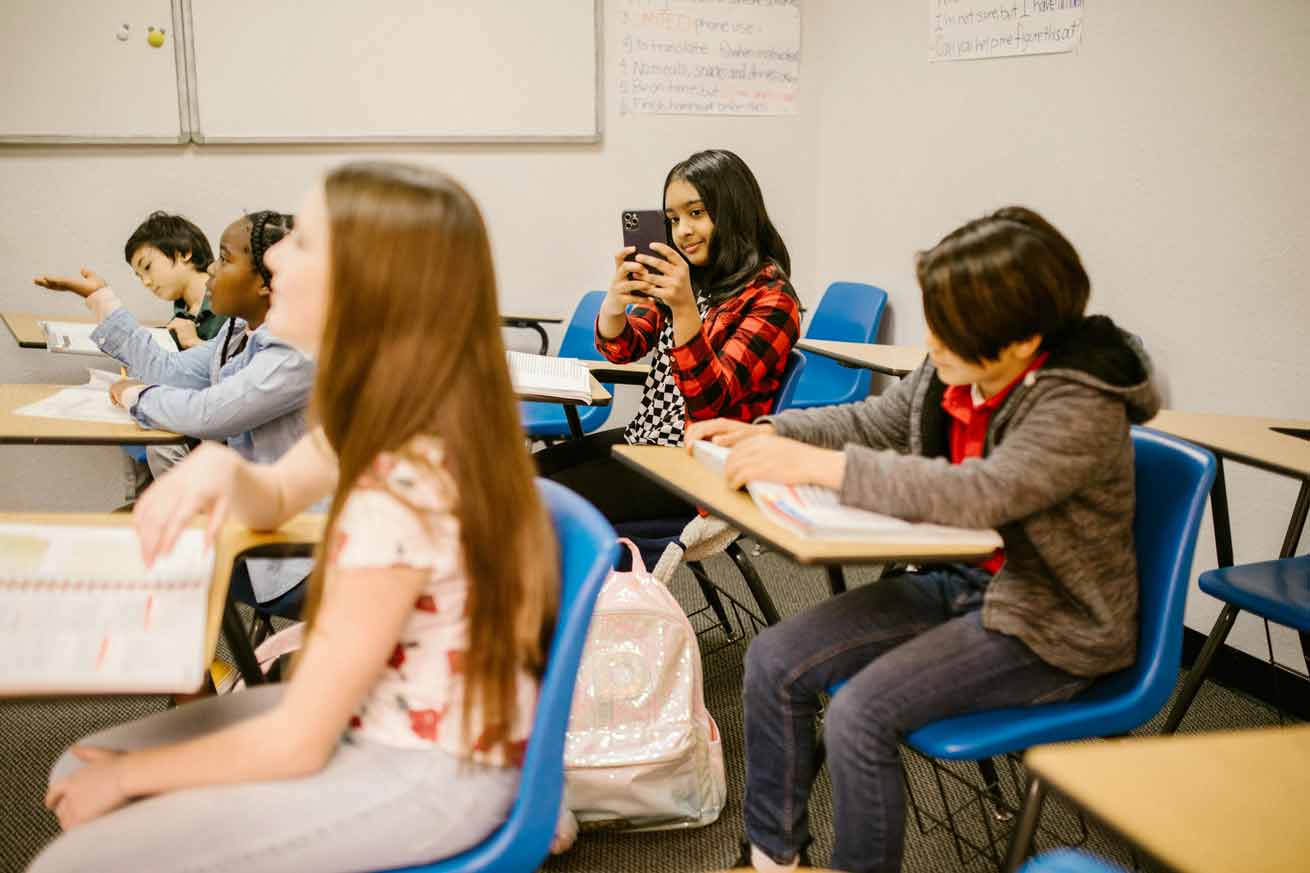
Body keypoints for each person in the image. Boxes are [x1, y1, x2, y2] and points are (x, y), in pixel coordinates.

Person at [28, 162, 558, 873]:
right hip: (373, 719)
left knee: (77, 853)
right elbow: (277, 493)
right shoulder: (376, 411)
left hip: (426, 772)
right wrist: (226, 469)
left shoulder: (403, 480)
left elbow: (297, 741)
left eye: (302, 243)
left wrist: (127, 781)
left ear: (366, 284)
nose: (274, 256)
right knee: (77, 764)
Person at [688, 206, 1161, 873]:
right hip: (969, 583)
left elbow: (981, 494)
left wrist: (824, 468)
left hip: (1052, 625)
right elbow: (875, 418)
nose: (932, 339)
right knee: (774, 658)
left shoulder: (1079, 404)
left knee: (858, 716)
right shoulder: (955, 370)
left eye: (949, 326)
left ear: (1022, 340)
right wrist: (773, 432)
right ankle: (774, 859)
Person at [33, 211, 313, 604]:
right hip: (253, 522)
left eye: (226, 258)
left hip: (295, 551)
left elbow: (209, 414)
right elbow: (171, 371)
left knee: (130, 545)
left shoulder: (296, 349)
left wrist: (134, 395)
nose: (212, 267)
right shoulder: (241, 332)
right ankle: (189, 659)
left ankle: (190, 660)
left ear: (267, 281)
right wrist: (101, 299)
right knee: (122, 531)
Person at [534, 148, 801, 524]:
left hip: (699, 469)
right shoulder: (689, 276)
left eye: (696, 213)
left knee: (541, 508)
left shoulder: (772, 299)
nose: (683, 232)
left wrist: (684, 309)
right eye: (673, 220)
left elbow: (711, 403)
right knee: (522, 477)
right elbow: (624, 347)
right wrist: (615, 304)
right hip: (646, 439)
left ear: (734, 211)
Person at [123, 210, 225, 349]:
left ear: (184, 252)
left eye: (147, 267)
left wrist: (196, 344)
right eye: (140, 277)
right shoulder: (176, 324)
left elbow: (250, 363)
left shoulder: (234, 302)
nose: (146, 282)